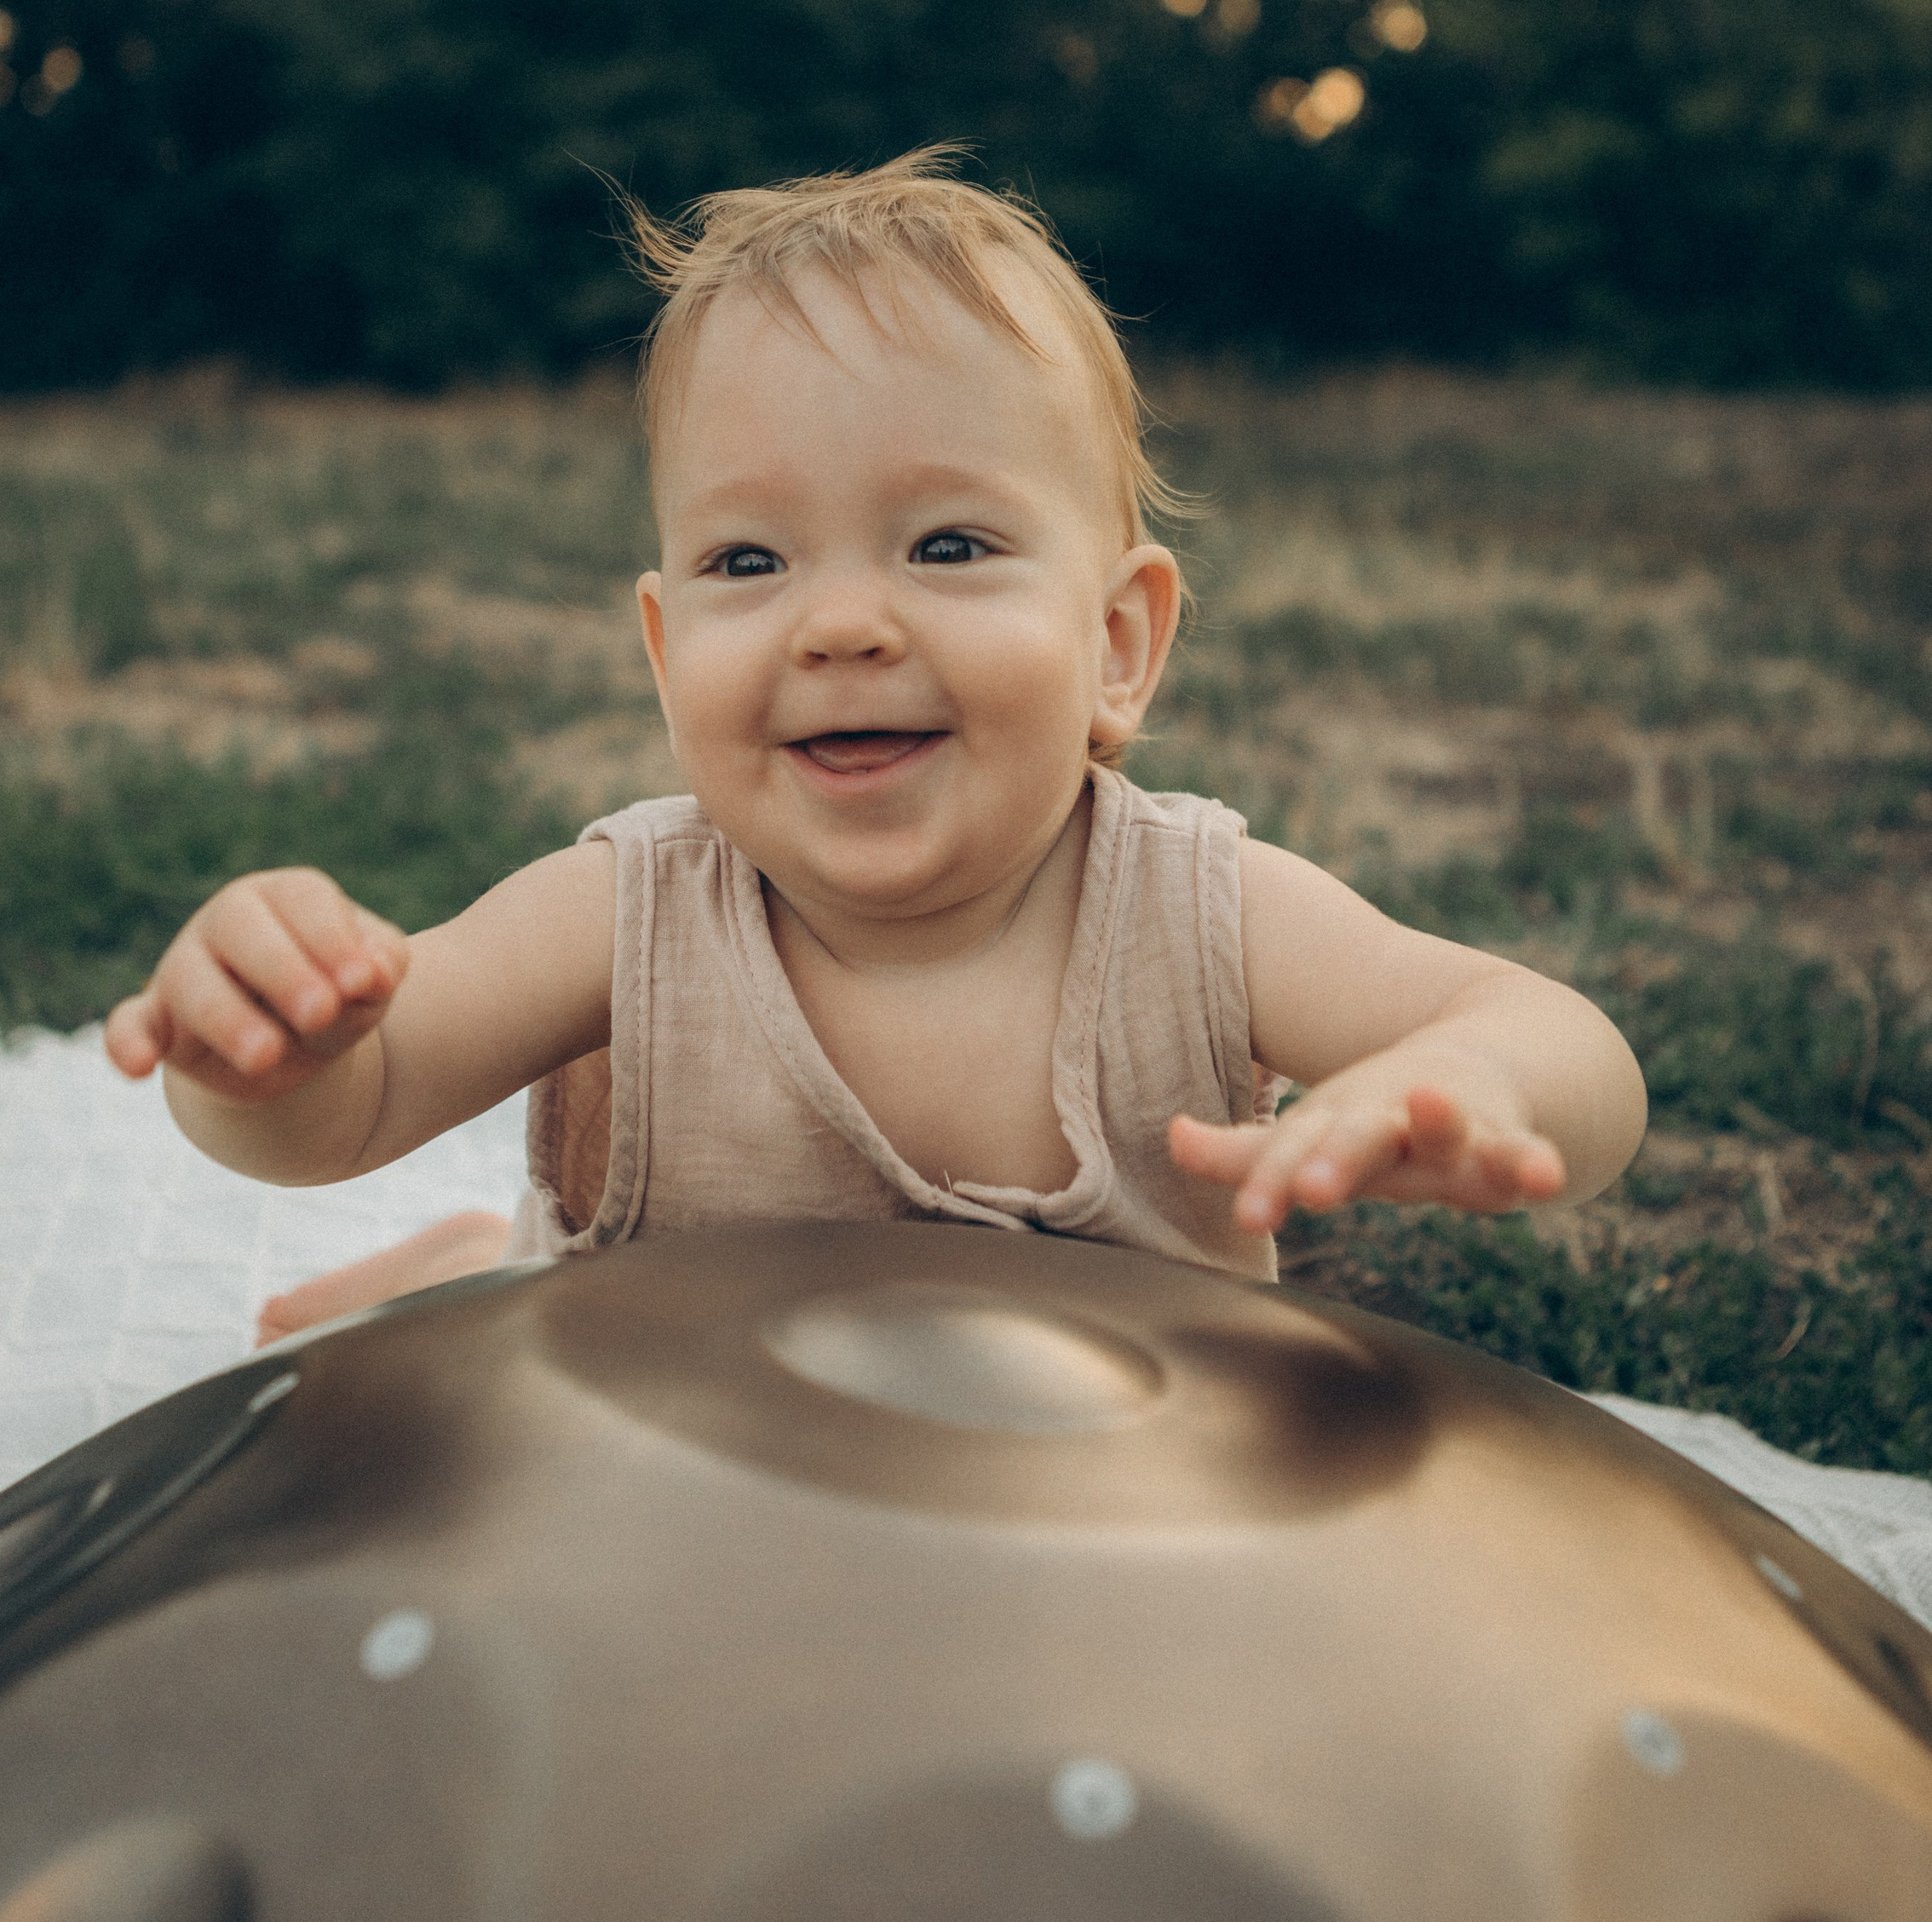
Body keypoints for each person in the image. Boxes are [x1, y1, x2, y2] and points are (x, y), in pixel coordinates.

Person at [104, 150, 1647, 1344]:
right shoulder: (631, 916)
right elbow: (347, 1112)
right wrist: (267, 1056)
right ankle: (488, 1267)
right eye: (749, 565)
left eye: (951, 545)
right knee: (526, 1300)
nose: (839, 626)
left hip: (1102, 1546)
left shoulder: (1198, 916)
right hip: (712, 1514)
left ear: (1118, 647)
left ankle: (484, 1258)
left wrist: (1466, 1073)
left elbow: (1569, 1048)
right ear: (664, 652)